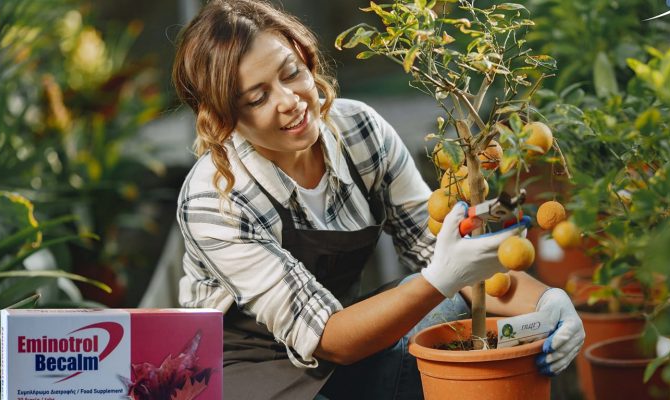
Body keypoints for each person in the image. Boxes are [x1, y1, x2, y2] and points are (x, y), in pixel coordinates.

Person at [171, 1, 585, 399]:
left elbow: (443, 252)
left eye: (291, 72)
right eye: (257, 98)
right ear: (225, 117)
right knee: (433, 291)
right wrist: (442, 277)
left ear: (304, 55)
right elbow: (330, 339)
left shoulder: (359, 132)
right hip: (246, 369)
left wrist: (549, 303)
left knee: (451, 313)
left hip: (342, 351)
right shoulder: (216, 198)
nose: (290, 100)